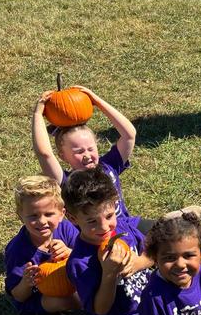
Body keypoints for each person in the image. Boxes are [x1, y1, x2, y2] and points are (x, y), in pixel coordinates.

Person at [32, 85, 152, 231]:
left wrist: (96, 100)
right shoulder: (66, 181)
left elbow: (129, 134)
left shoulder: (109, 165)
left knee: (169, 230)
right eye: (79, 151)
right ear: (62, 156)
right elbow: (44, 153)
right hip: (94, 236)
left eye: (91, 149)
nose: (87, 155)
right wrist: (38, 114)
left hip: (125, 226)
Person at [63, 168, 154, 315]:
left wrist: (141, 262)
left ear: (115, 205)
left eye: (109, 216)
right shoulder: (80, 262)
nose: (104, 227)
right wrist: (109, 273)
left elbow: (153, 253)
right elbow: (101, 308)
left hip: (151, 306)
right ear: (72, 218)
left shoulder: (122, 227)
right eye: (91, 221)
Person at [4, 175, 80, 315]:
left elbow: (87, 256)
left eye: (49, 214)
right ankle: (87, 309)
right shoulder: (18, 249)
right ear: (21, 216)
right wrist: (26, 282)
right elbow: (18, 295)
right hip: (38, 297)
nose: (42, 221)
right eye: (33, 216)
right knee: (61, 301)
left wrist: (70, 252)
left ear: (61, 213)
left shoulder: (66, 229)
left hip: (68, 284)